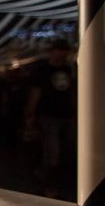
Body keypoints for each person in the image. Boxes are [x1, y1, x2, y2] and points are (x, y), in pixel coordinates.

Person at [24, 38, 76, 196]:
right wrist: (30, 113)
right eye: (59, 50)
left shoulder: (71, 68)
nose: (61, 54)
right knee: (52, 150)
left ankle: (55, 179)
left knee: (66, 147)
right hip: (48, 114)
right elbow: (36, 92)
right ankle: (50, 183)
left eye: (63, 51)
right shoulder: (43, 69)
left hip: (66, 114)